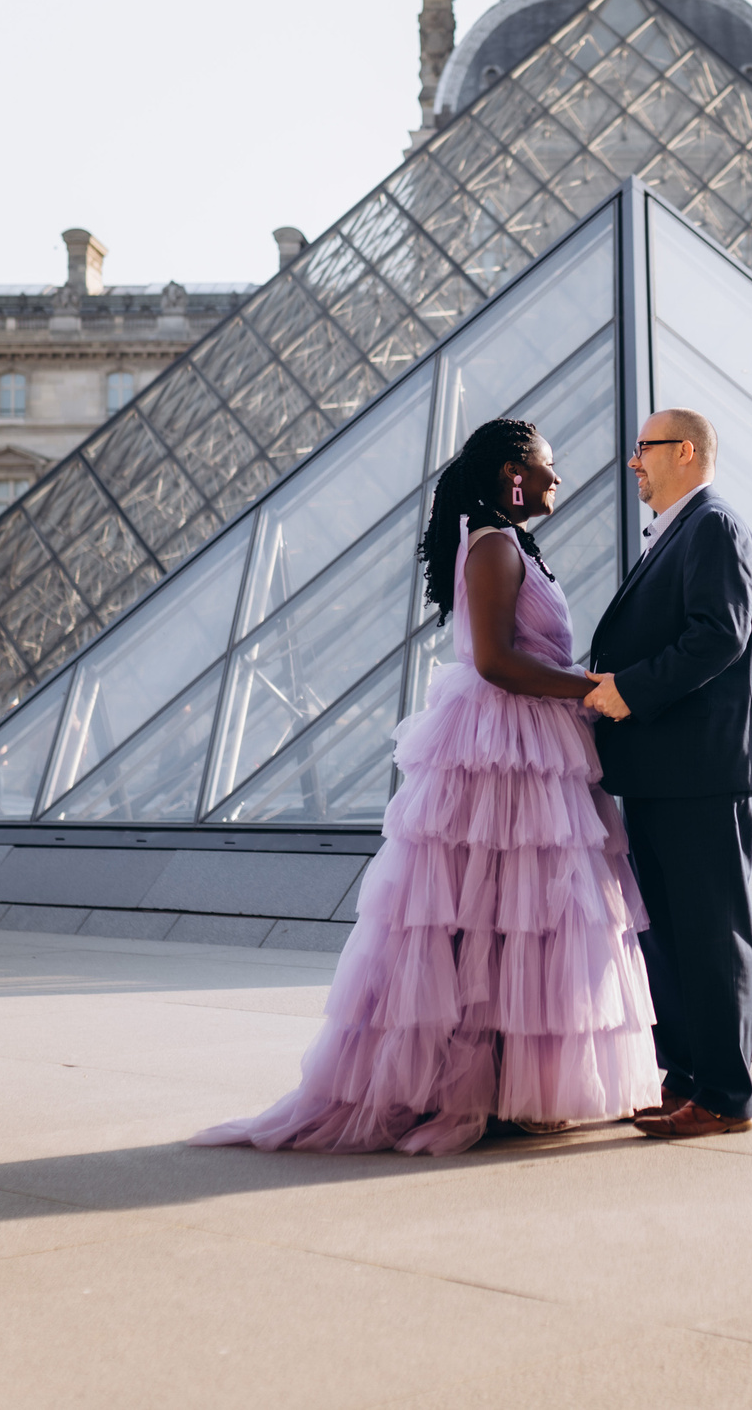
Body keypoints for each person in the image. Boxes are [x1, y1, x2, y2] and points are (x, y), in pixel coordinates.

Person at [190, 419, 659, 1155]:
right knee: (507, 919)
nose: (556, 478)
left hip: (517, 742)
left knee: (516, 920)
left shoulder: (501, 541)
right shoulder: (497, 545)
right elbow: (501, 661)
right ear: (513, 473)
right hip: (509, 745)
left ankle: (506, 1084)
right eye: (547, 465)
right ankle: (494, 1087)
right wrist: (593, 687)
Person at [583, 409, 752, 1140]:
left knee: (709, 934)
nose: (634, 461)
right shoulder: (683, 530)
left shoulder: (714, 526)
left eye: (644, 448)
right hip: (669, 770)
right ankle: (689, 1078)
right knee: (672, 935)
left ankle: (726, 1094)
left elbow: (717, 634)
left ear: (685, 451)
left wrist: (626, 689)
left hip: (701, 771)